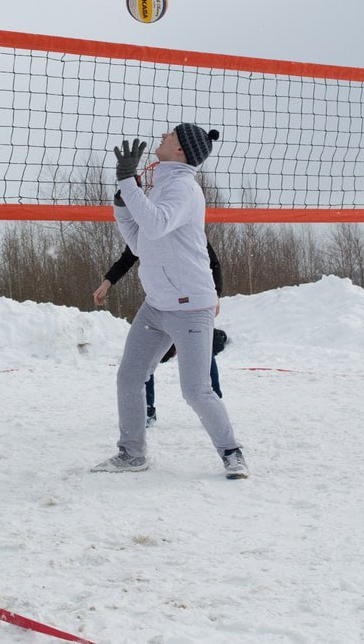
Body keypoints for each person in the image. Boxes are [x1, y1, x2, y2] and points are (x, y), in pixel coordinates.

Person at [92, 125, 248, 479]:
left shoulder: (182, 188)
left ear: (182, 151)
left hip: (192, 305)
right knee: (129, 377)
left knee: (196, 391)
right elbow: (140, 242)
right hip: (157, 305)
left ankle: (232, 452)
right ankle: (131, 454)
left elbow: (157, 223)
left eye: (170, 136)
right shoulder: (162, 184)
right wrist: (122, 207)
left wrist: (127, 182)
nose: (162, 136)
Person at [93, 241, 228, 426]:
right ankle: (148, 409)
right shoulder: (144, 231)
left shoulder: (186, 228)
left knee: (202, 358)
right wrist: (107, 283)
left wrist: (216, 294)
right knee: (145, 362)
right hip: (160, 309)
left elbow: (213, 264)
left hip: (191, 308)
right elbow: (126, 260)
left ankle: (216, 403)